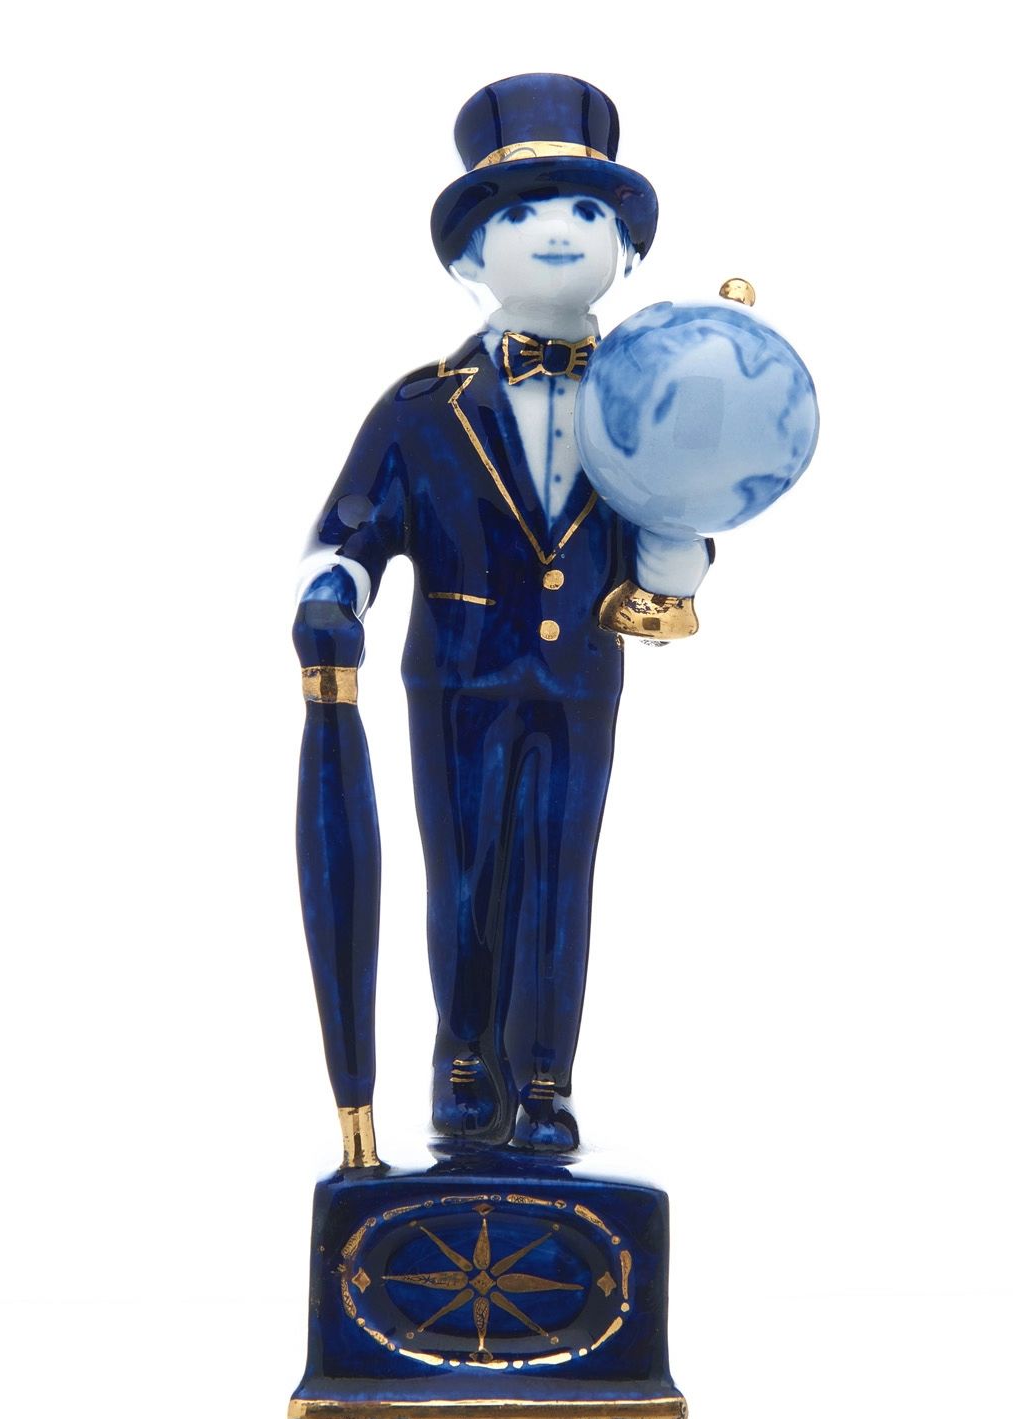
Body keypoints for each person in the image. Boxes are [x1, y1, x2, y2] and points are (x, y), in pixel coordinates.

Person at [295, 74, 710, 1157]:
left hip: (581, 678)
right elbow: (350, 527)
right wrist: (334, 586)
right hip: (459, 677)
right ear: (472, 253)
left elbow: (676, 532)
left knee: (561, 876)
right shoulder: (420, 408)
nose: (558, 232)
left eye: (586, 210)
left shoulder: (650, 396)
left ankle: (549, 1081)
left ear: (625, 246)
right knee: (467, 869)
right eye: (522, 212)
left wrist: (682, 537)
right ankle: (466, 1062)